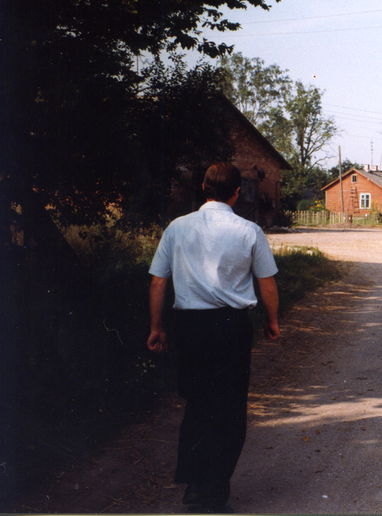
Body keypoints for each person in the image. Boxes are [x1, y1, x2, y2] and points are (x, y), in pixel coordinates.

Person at [147, 162, 280, 513]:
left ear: (204, 189)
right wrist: (272, 320)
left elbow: (159, 281)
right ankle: (215, 485)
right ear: (237, 192)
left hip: (189, 328)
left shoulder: (177, 228)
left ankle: (193, 482)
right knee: (230, 407)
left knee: (198, 403)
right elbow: (266, 282)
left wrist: (156, 327)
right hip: (230, 327)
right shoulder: (249, 231)